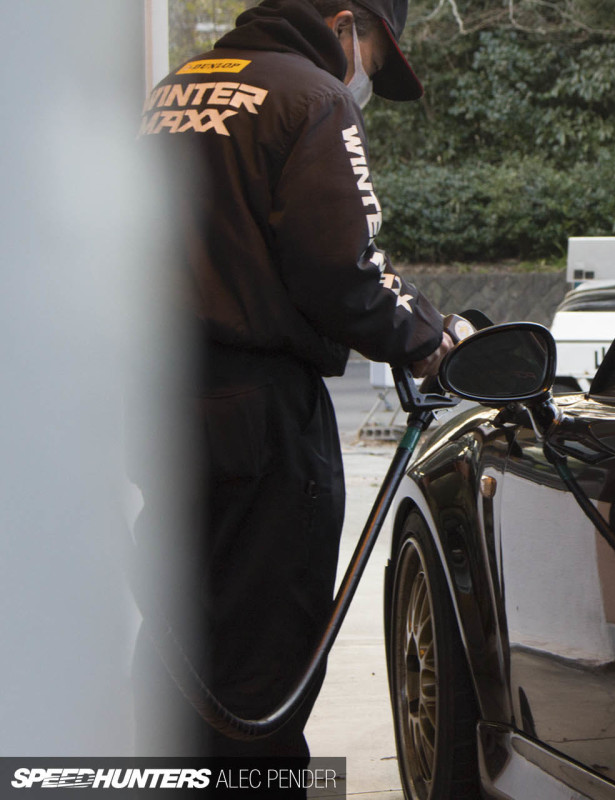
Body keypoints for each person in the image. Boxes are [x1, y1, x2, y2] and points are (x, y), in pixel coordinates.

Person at [135, 0, 451, 762]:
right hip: (262, 421)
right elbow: (341, 272)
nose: (365, 75)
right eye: (374, 56)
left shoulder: (171, 92)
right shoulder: (313, 98)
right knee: (262, 685)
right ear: (347, 23)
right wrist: (427, 338)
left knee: (180, 660)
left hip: (154, 405)